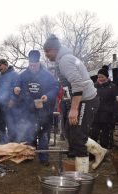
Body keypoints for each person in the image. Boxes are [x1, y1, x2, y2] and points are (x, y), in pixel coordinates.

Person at [43, 34, 99, 173]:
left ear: (54, 50)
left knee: (78, 138)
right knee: (70, 133)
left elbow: (77, 84)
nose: (46, 55)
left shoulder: (65, 60)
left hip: (86, 100)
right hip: (78, 101)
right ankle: (100, 152)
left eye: (47, 51)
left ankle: (81, 178)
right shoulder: (61, 60)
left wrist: (74, 109)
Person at [15, 50, 59, 165]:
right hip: (28, 109)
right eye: (31, 65)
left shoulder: (47, 75)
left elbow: (55, 87)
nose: (33, 67)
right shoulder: (23, 75)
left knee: (43, 134)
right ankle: (29, 156)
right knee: (29, 132)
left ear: (39, 63)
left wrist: (47, 96)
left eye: (35, 65)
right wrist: (16, 88)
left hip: (44, 109)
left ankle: (44, 159)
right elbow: (17, 85)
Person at [90, 65, 118, 149]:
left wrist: (113, 115)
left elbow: (115, 102)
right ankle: (92, 154)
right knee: (93, 135)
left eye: (102, 77)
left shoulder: (113, 87)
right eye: (98, 77)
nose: (100, 79)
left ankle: (103, 154)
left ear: (106, 77)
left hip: (107, 116)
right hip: (95, 115)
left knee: (104, 137)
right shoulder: (94, 87)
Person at [0, 59, 20, 143]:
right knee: (1, 127)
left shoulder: (14, 75)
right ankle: (2, 145)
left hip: (10, 105)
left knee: (11, 126)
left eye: (1, 65)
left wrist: (12, 100)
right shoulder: (0, 77)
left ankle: (12, 146)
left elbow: (17, 88)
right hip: (0, 105)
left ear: (6, 65)